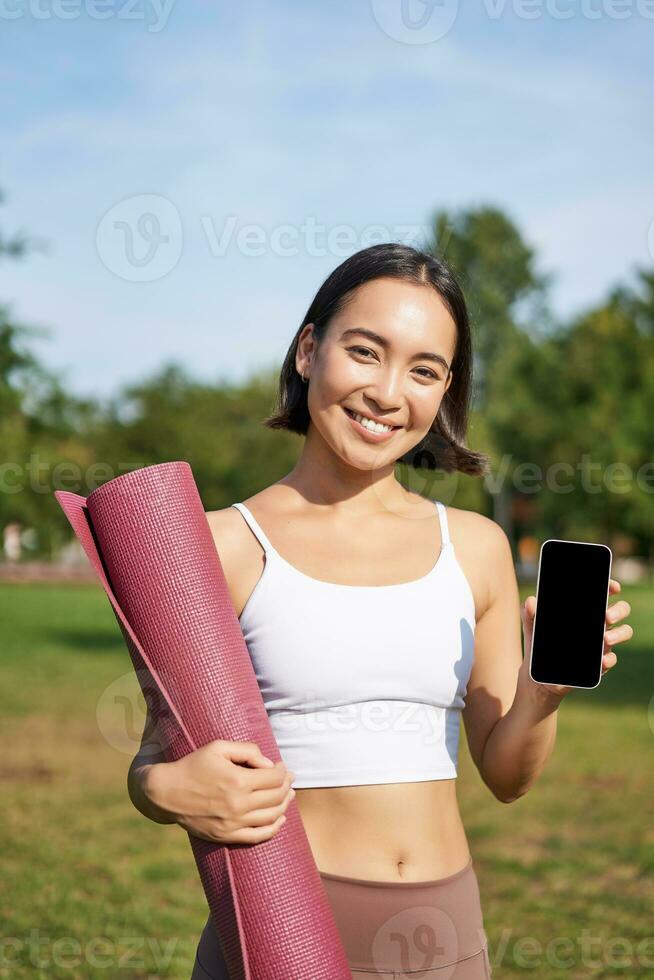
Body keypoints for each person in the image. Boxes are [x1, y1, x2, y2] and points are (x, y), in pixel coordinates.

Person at [127, 243, 632, 979]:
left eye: (424, 370)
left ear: (446, 391)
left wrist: (540, 695)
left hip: (447, 934)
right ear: (309, 351)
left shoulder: (477, 546)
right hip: (282, 929)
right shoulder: (219, 544)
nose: (389, 392)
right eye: (365, 352)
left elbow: (508, 776)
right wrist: (166, 788)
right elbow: (151, 760)